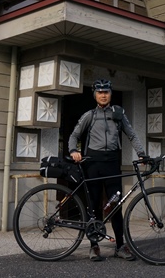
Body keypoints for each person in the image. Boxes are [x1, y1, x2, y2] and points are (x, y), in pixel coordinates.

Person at [68, 79, 147, 262]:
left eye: (106, 92)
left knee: (115, 205)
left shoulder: (118, 114)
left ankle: (120, 246)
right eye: (99, 92)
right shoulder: (90, 115)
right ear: (95, 94)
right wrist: (73, 150)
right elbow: (74, 135)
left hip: (112, 162)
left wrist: (141, 153)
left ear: (111, 93)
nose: (103, 95)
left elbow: (132, 134)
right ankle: (94, 246)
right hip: (92, 163)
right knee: (94, 205)